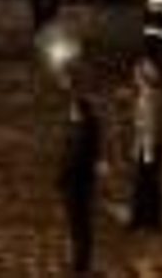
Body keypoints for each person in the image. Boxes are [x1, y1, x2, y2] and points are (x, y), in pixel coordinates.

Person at [58, 83, 103, 276]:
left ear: (79, 112)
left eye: (72, 110)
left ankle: (80, 263)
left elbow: (72, 160)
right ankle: (79, 260)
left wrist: (61, 178)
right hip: (81, 184)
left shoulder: (82, 134)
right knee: (79, 224)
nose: (69, 113)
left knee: (79, 224)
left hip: (76, 185)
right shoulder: (86, 128)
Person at [128, 57, 162, 231]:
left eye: (136, 74)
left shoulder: (148, 97)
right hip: (149, 146)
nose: (134, 76)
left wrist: (147, 152)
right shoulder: (152, 95)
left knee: (143, 183)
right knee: (149, 184)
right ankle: (149, 219)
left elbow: (150, 125)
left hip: (148, 147)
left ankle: (141, 219)